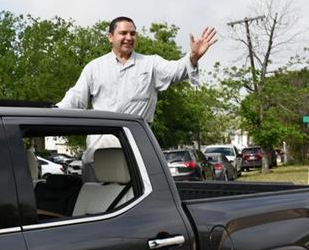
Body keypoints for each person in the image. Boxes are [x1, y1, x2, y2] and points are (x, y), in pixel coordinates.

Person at [57, 16, 217, 180]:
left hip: (137, 150)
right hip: (100, 151)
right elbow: (75, 98)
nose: (129, 38)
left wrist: (193, 57)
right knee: (95, 197)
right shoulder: (94, 68)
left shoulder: (150, 64)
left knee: (137, 200)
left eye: (133, 34)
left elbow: (176, 70)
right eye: (123, 33)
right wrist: (52, 112)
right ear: (110, 37)